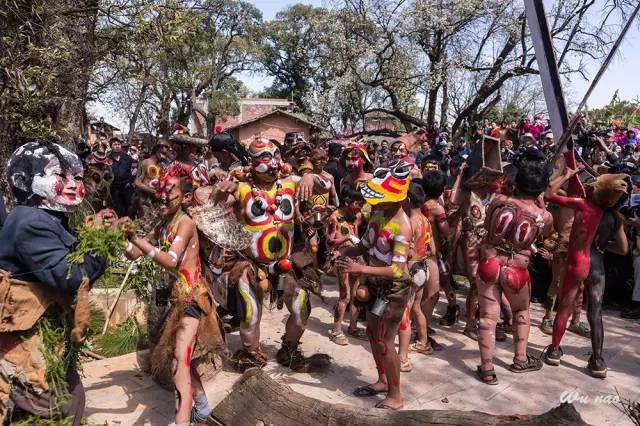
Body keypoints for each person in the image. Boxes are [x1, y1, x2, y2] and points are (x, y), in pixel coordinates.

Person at [0, 141, 108, 425]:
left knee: (67, 398)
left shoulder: (48, 218)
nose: (72, 185)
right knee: (57, 404)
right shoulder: (30, 222)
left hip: (41, 338)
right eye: (59, 176)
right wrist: (100, 248)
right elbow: (69, 276)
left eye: (77, 177)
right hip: (23, 343)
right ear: (25, 181)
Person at [215, 137, 331, 372]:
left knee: (301, 308)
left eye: (275, 156)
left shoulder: (291, 184)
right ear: (252, 162)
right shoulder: (242, 188)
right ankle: (252, 353)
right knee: (250, 313)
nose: (273, 163)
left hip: (285, 264)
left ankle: (289, 348)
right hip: (252, 265)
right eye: (265, 158)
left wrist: (309, 175)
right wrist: (219, 192)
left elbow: (324, 186)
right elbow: (213, 204)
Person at [122, 167, 224, 424]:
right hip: (173, 300)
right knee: (180, 360)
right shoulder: (162, 225)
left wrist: (137, 239)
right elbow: (133, 253)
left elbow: (169, 260)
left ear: (185, 197)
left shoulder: (186, 223)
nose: (164, 197)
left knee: (180, 362)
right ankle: (201, 406)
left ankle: (182, 421)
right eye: (160, 193)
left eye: (171, 192)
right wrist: (118, 236)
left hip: (191, 299)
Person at [336, 160, 412, 410]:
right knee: (372, 333)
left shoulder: (402, 226)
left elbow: (398, 269)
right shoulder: (379, 214)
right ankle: (382, 380)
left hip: (393, 289)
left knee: (384, 340)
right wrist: (347, 250)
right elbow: (366, 246)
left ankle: (396, 395)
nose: (375, 202)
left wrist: (361, 269)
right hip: (375, 284)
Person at [544, 155, 630, 378]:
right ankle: (598, 360)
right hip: (597, 266)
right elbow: (623, 249)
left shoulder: (584, 206)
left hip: (578, 262)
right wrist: (602, 246)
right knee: (596, 312)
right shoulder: (615, 218)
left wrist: (567, 175)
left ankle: (554, 350)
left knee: (565, 306)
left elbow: (549, 194)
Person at [475, 163, 553, 384]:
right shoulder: (544, 216)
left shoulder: (498, 202)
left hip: (490, 262)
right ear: (539, 190)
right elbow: (545, 235)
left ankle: (488, 368)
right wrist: (540, 203)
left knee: (488, 317)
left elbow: (488, 221)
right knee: (521, 311)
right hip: (517, 267)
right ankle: (520, 358)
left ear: (516, 183)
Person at [398, 182, 439, 372]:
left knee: (405, 312)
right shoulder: (425, 220)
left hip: (412, 269)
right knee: (417, 308)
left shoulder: (409, 222)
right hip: (423, 268)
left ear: (407, 200)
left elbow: (405, 251)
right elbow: (433, 249)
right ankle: (423, 342)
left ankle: (403, 358)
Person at [327, 187, 366, 345]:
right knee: (345, 296)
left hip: (356, 258)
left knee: (356, 294)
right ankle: (336, 330)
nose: (360, 206)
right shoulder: (334, 218)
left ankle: (353, 326)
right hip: (342, 258)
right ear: (347, 202)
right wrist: (347, 238)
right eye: (358, 203)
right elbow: (330, 242)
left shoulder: (357, 216)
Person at [421, 171, 459, 325]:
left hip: (421, 250)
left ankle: (452, 308)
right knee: (436, 290)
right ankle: (423, 326)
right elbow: (447, 232)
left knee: (429, 286)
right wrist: (455, 228)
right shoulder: (437, 208)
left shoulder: (419, 202)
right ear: (442, 189)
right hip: (434, 253)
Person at [109, 137, 135, 217]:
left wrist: (131, 182)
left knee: (130, 209)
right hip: (114, 190)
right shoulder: (107, 159)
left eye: (119, 144)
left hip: (127, 189)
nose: (117, 146)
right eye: (115, 144)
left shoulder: (128, 158)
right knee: (118, 211)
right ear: (111, 147)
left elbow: (135, 170)